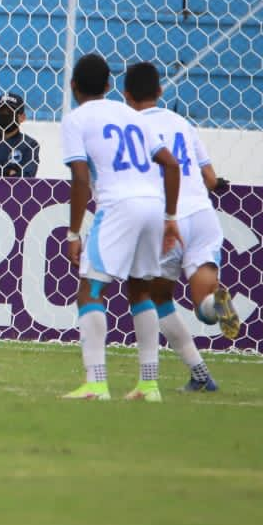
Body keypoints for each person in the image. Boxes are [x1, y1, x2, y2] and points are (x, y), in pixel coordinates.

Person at [60, 53, 182, 401]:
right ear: (111, 86)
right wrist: (171, 218)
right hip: (154, 205)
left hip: (118, 206)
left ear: (73, 87)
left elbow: (81, 177)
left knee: (90, 290)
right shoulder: (132, 115)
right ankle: (149, 385)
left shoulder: (76, 120)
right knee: (141, 291)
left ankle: (96, 383)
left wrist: (73, 234)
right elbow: (171, 165)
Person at [124, 61, 239, 394]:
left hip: (165, 218)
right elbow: (210, 177)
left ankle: (194, 372)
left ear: (126, 95)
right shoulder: (182, 122)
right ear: (160, 91)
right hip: (202, 213)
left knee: (156, 298)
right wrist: (216, 186)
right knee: (203, 304)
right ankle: (211, 311)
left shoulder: (129, 125)